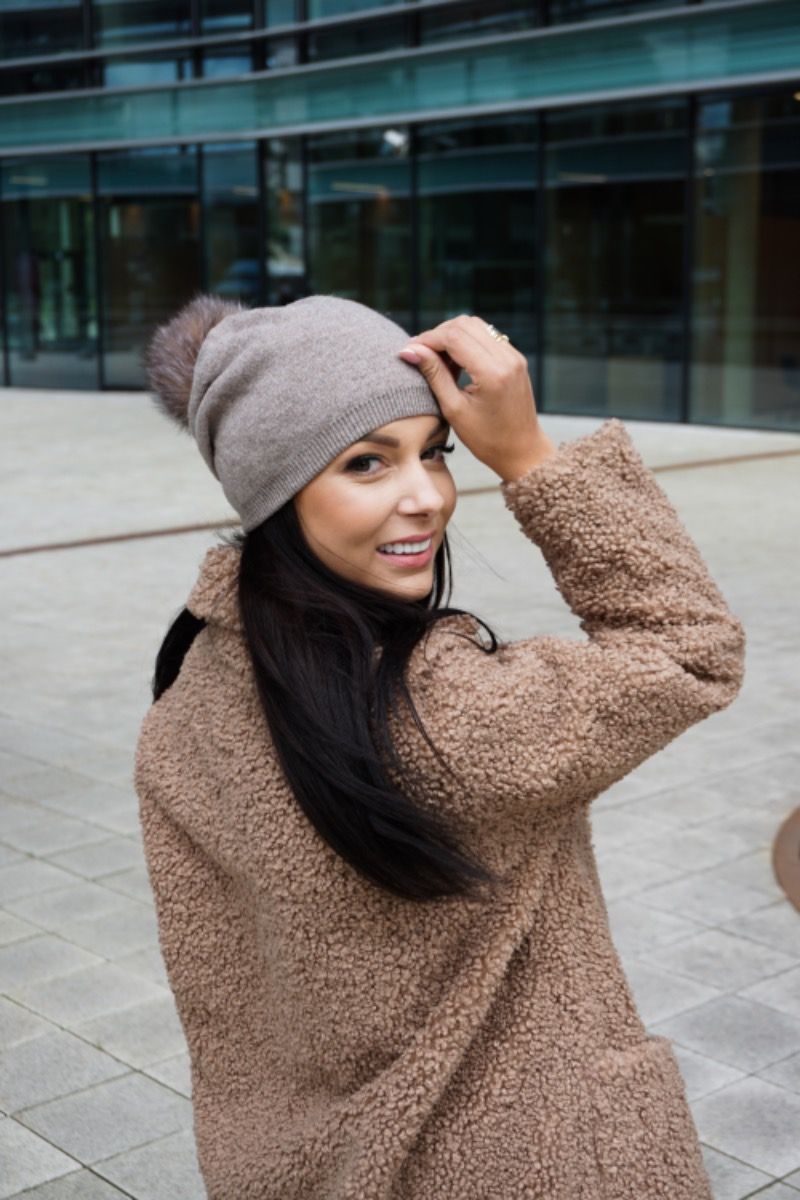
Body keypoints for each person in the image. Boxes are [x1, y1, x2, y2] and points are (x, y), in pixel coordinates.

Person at [134, 293, 745, 1200]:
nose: (425, 496)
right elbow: (692, 646)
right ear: (274, 485)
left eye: (436, 453)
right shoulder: (446, 711)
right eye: (366, 464)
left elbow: (229, 1010)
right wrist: (531, 458)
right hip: (544, 1162)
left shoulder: (183, 712)